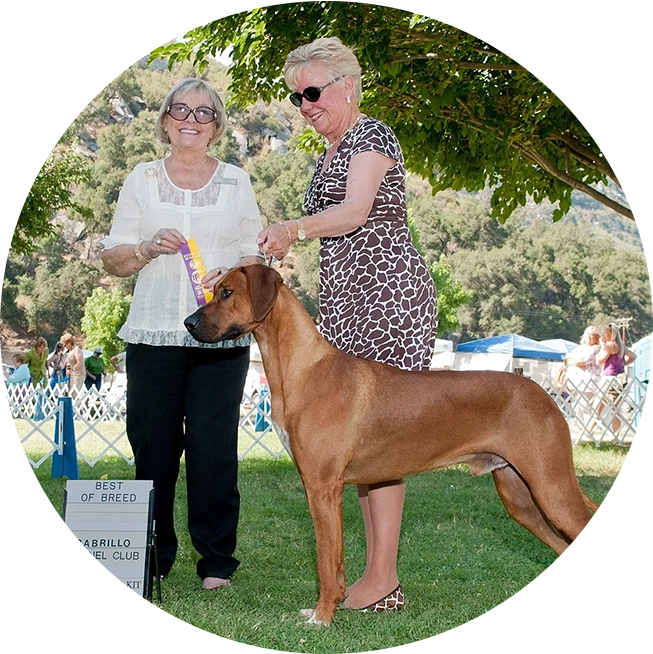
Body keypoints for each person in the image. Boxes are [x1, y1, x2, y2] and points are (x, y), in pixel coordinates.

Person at [258, 37, 437, 611]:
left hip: (386, 300)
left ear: (347, 86)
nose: (305, 104)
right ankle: (373, 577)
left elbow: (357, 213)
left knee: (383, 439)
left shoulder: (372, 135)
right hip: (343, 306)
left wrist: (292, 229)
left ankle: (381, 578)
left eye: (313, 92)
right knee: (355, 445)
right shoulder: (329, 152)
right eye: (296, 98)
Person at [100, 78, 264, 590]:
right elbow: (113, 258)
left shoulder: (237, 182)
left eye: (204, 112)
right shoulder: (141, 178)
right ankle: (151, 557)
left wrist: (230, 276)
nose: (191, 119)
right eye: (181, 110)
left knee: (214, 449)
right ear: (166, 120)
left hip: (220, 337)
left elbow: (254, 259)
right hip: (153, 335)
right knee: (153, 447)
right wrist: (147, 248)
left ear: (216, 125)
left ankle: (216, 561)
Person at [593, 324, 637, 433]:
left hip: (608, 379)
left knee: (597, 406)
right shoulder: (621, 346)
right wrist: (624, 364)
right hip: (620, 378)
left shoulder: (609, 345)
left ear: (610, 335)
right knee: (615, 408)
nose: (603, 335)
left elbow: (599, 361)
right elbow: (633, 356)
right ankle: (616, 432)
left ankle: (590, 431)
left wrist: (603, 346)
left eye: (605, 334)